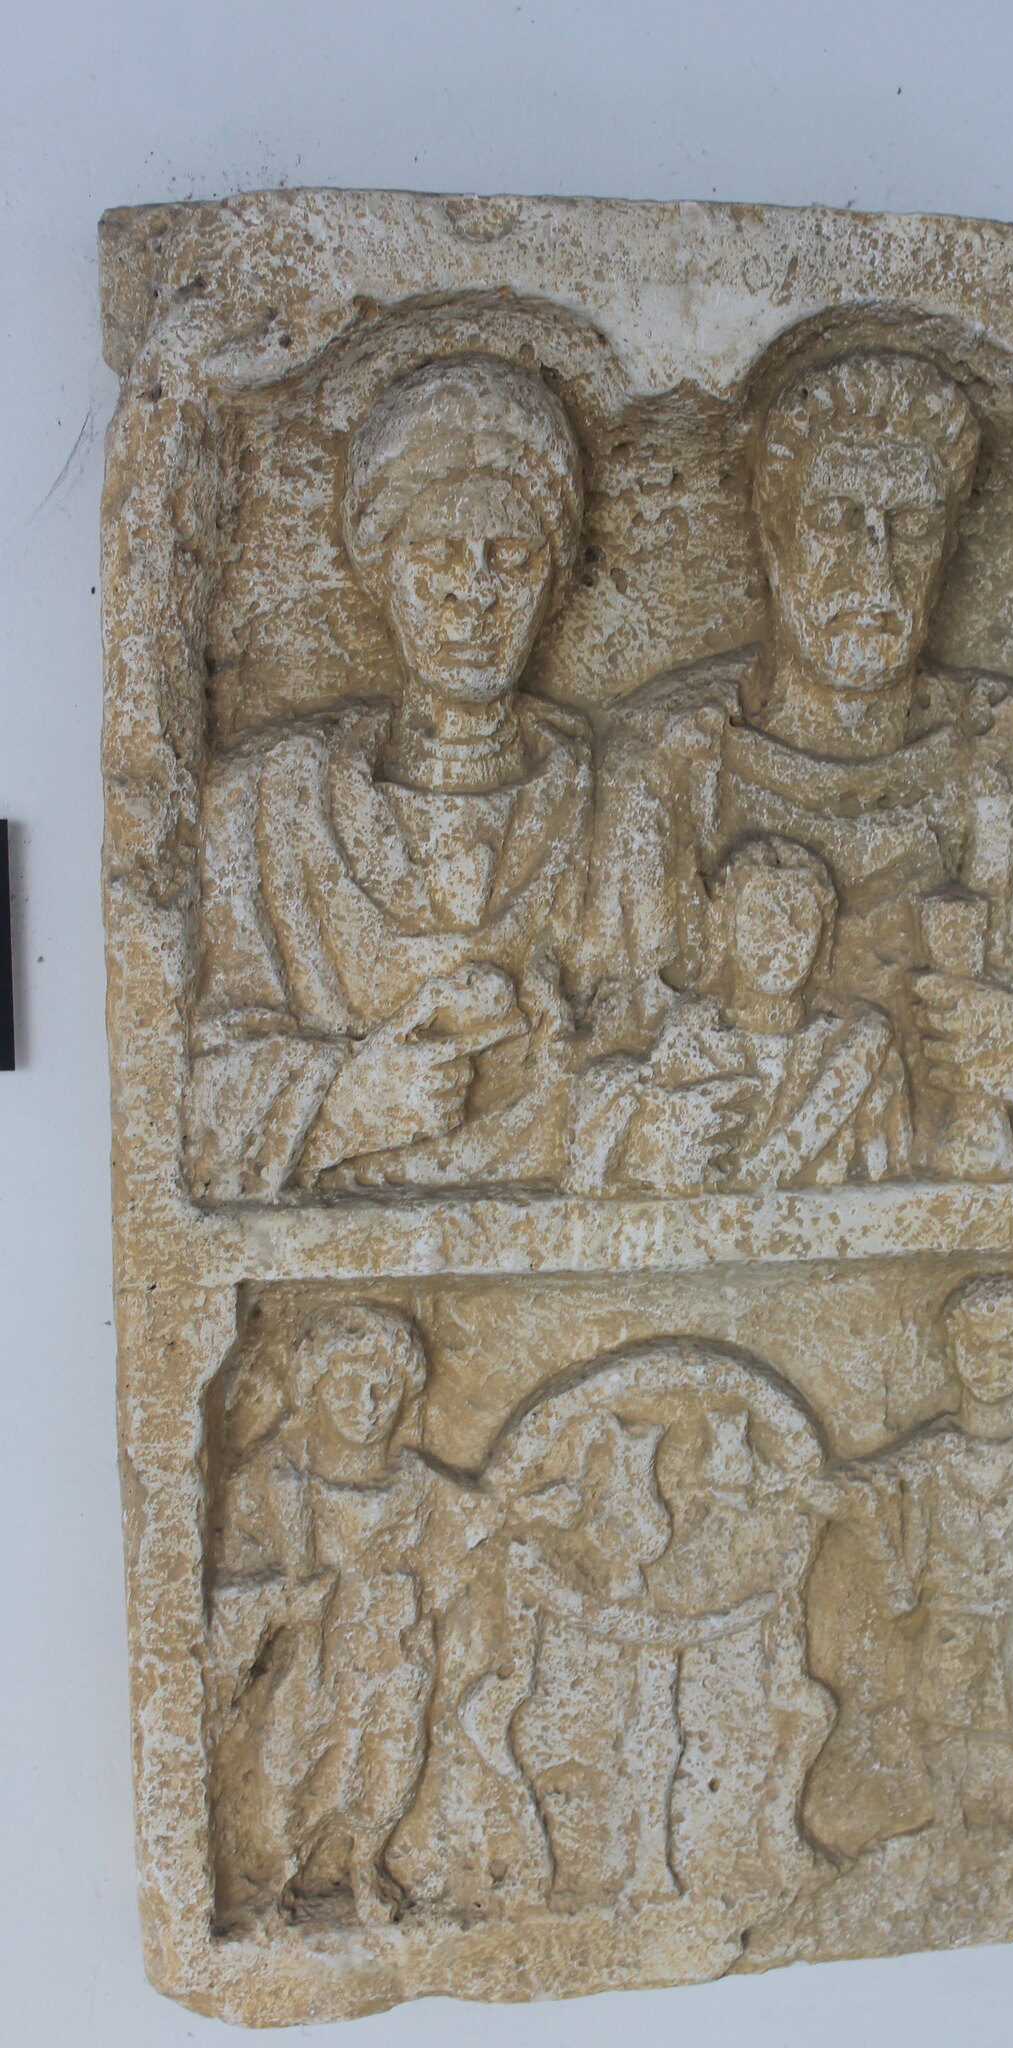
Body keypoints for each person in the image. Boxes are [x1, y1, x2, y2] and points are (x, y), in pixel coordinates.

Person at [585, 351, 1013, 1176]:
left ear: (947, 547)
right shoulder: (666, 763)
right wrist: (641, 1125)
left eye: (910, 529)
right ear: (774, 539)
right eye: (836, 521)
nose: (874, 572)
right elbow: (583, 1039)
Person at [187, 355, 593, 1200]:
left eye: (511, 556)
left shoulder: (604, 795)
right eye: (436, 553)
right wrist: (345, 1103)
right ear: (377, 570)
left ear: (555, 580)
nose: (472, 593)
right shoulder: (270, 803)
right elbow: (187, 1096)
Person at [206, 1303, 490, 1929]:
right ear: (315, 1390)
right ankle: (277, 1876)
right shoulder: (274, 1477)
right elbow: (222, 1579)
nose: (366, 1406)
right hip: (316, 1660)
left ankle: (367, 1864)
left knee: (391, 1763)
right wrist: (282, 1598)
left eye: (382, 1388)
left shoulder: (415, 1480)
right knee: (297, 1761)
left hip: (392, 1656)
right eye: (346, 1388)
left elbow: (479, 1526)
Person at [569, 835, 912, 1192]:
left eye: (800, 916)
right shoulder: (689, 1045)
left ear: (823, 937)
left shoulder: (856, 1049)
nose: (781, 935)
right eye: (761, 914)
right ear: (726, 929)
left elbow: (889, 1189)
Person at [887, 1275, 1013, 1841]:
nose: (990, 1367)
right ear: (952, 1351)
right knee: (941, 1700)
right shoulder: (933, 1452)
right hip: (956, 1610)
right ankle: (948, 1821)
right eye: (975, 1349)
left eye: (1007, 1351)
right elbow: (876, 1492)